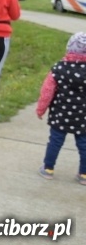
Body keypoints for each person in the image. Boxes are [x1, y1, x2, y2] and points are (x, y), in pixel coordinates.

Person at [36, 31, 86, 186]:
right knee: (84, 145)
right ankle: (84, 174)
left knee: (55, 142)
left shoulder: (58, 68)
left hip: (60, 114)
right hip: (83, 117)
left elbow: (47, 91)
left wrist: (41, 109)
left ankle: (48, 169)